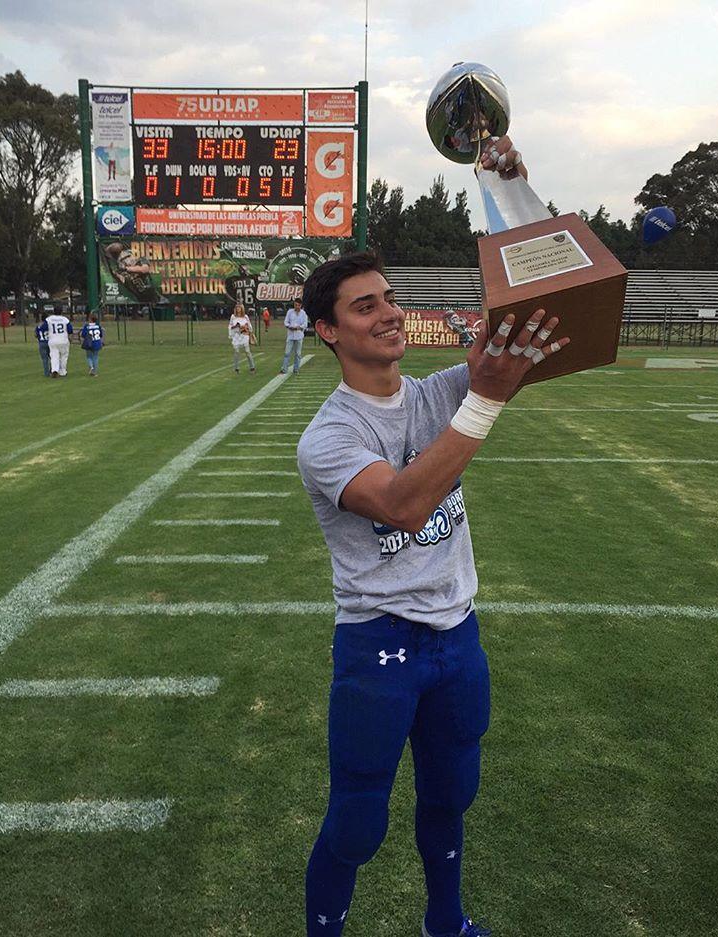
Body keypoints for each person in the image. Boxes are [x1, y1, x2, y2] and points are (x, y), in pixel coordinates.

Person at [296, 138, 570, 937]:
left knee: (452, 795)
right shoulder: (329, 436)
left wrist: (511, 193)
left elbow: (541, 321)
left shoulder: (442, 387)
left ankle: (445, 923)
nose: (387, 312)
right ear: (326, 332)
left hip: (458, 634)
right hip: (377, 640)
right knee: (358, 822)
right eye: (363, 306)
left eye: (389, 297)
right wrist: (482, 401)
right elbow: (407, 505)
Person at [280, 297, 309, 375]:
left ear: (300, 305)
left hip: (299, 336)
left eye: (298, 305)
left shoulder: (303, 313)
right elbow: (286, 322)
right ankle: (284, 369)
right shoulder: (290, 312)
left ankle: (296, 369)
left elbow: (305, 324)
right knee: (287, 353)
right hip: (290, 335)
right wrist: (289, 326)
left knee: (298, 354)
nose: (296, 306)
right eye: (295, 305)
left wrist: (299, 327)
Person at [45, 310, 74, 378]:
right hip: (63, 340)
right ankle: (63, 371)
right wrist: (70, 339)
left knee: (54, 356)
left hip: (53, 340)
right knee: (64, 356)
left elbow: (43, 328)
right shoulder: (65, 319)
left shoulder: (49, 319)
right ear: (61, 312)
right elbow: (70, 330)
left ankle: (54, 370)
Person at [229, 302, 256, 374]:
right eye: (237, 308)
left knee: (247, 351)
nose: (238, 309)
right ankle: (236, 368)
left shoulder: (245, 317)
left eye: (239, 308)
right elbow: (230, 326)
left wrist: (248, 329)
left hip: (244, 335)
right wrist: (232, 332)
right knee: (236, 351)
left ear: (242, 309)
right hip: (236, 336)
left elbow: (249, 326)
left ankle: (252, 367)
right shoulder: (233, 317)